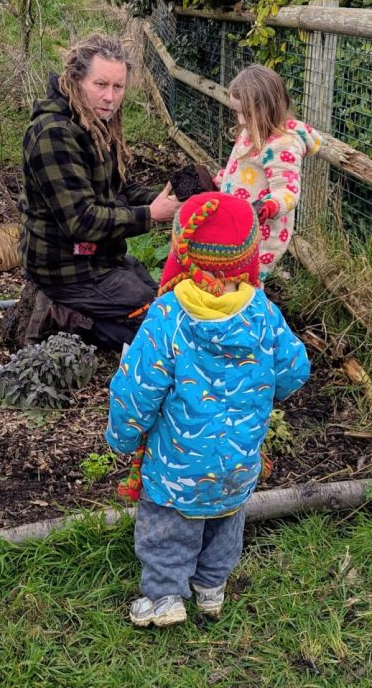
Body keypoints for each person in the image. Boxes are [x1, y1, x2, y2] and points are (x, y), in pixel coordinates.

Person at [106, 191, 310, 628]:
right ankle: (211, 589)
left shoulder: (169, 315)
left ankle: (164, 597)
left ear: (184, 247)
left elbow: (137, 386)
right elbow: (295, 370)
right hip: (238, 456)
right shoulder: (262, 312)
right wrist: (262, 395)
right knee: (224, 520)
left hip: (177, 459)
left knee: (167, 525)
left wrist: (122, 436)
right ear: (249, 253)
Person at [19, 33, 179, 351]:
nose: (110, 97)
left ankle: (85, 315)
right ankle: (63, 319)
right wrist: (151, 215)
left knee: (165, 296)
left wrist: (169, 200)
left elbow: (120, 186)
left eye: (117, 87)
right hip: (66, 267)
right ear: (77, 80)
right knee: (158, 324)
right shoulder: (54, 134)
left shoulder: (94, 119)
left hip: (99, 256)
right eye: (100, 85)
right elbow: (81, 221)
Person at [214, 64, 323, 282]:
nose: (241, 120)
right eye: (237, 112)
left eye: (246, 113)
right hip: (241, 222)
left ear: (267, 108)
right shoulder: (251, 130)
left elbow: (288, 190)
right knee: (231, 273)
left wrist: (270, 206)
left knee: (248, 278)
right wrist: (227, 178)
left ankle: (252, 311)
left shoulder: (282, 145)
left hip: (262, 231)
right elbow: (249, 170)